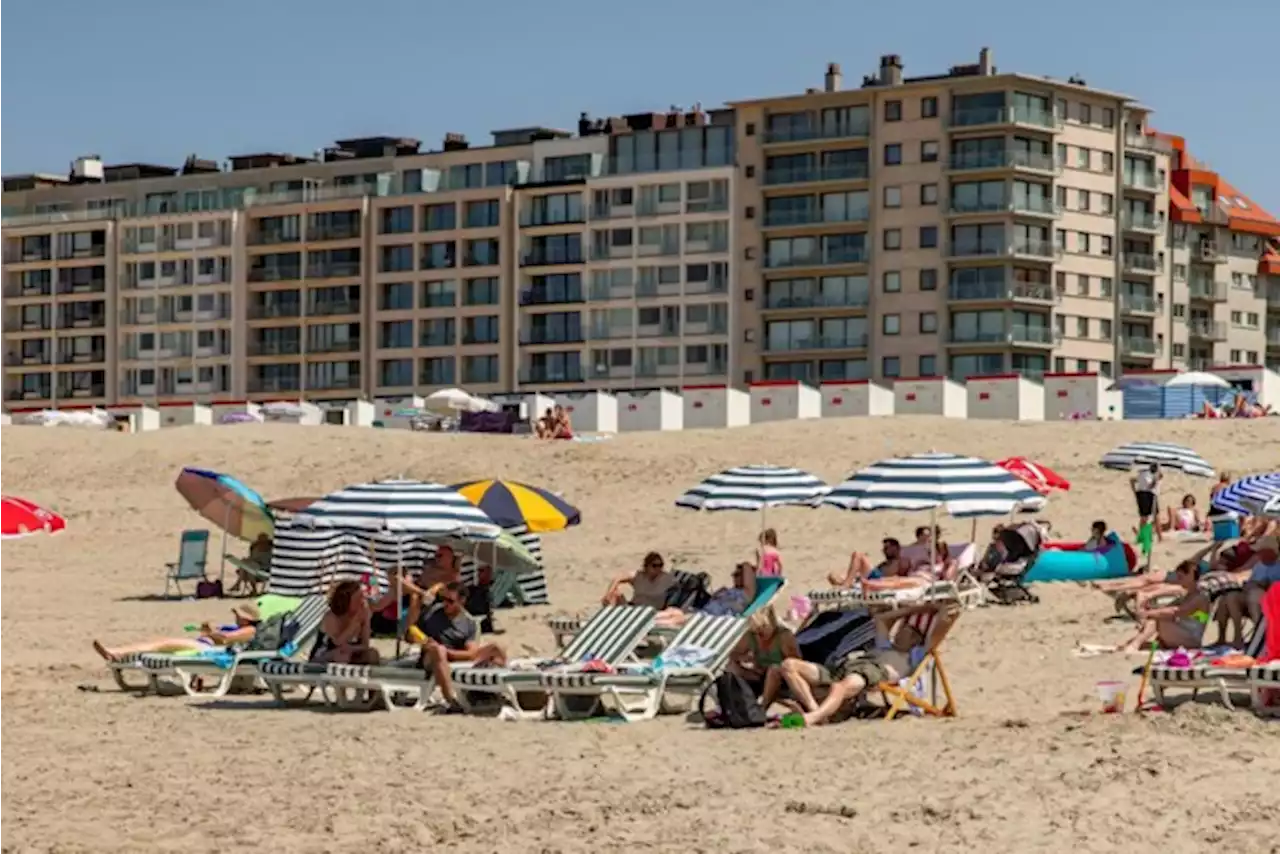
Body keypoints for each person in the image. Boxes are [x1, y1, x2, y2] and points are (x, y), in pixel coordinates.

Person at [777, 601, 955, 726]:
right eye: (901, 629)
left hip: (871, 671)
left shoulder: (916, 653)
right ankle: (816, 712)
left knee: (840, 688)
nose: (900, 633)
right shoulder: (886, 645)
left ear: (916, 639)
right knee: (788, 666)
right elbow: (881, 619)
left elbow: (944, 620)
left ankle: (813, 717)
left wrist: (935, 607)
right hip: (848, 664)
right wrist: (913, 609)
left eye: (907, 632)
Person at [417, 582, 507, 714]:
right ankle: (451, 700)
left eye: (450, 601)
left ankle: (493, 691)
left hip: (454, 656)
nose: (445, 604)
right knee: (438, 650)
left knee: (497, 648)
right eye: (444, 600)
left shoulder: (469, 623)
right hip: (431, 657)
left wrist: (449, 652)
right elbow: (410, 631)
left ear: (462, 601)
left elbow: (471, 653)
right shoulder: (433, 612)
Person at [93, 603, 262, 661]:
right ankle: (117, 652)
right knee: (158, 644)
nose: (235, 618)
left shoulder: (250, 630)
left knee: (161, 645)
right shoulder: (242, 628)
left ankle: (116, 652)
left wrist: (213, 632)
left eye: (238, 616)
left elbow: (226, 639)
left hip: (208, 651)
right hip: (206, 647)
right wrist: (208, 632)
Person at [1115, 560, 1211, 653]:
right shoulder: (1188, 593)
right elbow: (1170, 609)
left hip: (1191, 640)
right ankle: (1135, 643)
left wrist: (1147, 614)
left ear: (1190, 576)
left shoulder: (1200, 597)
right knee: (1155, 617)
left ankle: (1134, 645)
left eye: (1181, 577)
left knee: (1157, 618)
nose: (1178, 580)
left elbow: (1177, 611)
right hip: (1183, 633)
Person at [728, 606, 798, 708]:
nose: (760, 633)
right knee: (731, 667)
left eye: (763, 628)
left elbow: (795, 662)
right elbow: (734, 654)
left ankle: (762, 708)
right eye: (757, 630)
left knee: (773, 669)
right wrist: (743, 658)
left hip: (782, 677)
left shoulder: (783, 636)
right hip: (759, 674)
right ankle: (733, 706)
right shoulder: (752, 636)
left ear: (772, 623)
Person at [654, 562, 757, 629]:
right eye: (734, 574)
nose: (733, 577)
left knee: (679, 619)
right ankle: (649, 619)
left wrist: (747, 566)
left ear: (745, 577)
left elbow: (747, 568)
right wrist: (717, 595)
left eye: (737, 575)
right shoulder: (730, 590)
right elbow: (710, 601)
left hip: (714, 620)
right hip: (703, 613)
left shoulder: (746, 594)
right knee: (672, 611)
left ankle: (652, 625)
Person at [314, 580, 378, 664]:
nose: (362, 602)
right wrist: (355, 623)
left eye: (362, 597)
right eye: (358, 598)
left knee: (372, 654)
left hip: (349, 651)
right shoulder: (331, 616)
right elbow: (337, 642)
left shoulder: (364, 613)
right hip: (325, 653)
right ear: (346, 601)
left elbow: (365, 645)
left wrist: (351, 648)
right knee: (342, 656)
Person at [602, 551, 677, 607]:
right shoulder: (639, 576)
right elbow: (618, 578)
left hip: (652, 611)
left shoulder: (665, 579)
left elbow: (678, 586)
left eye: (660, 565)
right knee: (615, 594)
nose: (658, 569)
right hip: (634, 607)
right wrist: (609, 593)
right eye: (654, 566)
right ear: (646, 566)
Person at [828, 538, 904, 588]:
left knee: (858, 555)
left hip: (878, 579)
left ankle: (846, 585)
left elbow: (901, 578)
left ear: (896, 548)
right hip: (870, 577)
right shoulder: (885, 563)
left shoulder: (901, 561)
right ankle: (850, 583)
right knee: (833, 575)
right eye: (884, 548)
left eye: (886, 548)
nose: (884, 551)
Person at [1131, 462, 1161, 542]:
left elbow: (1132, 480)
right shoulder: (1146, 474)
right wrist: (1156, 479)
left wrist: (1134, 491)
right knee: (1147, 516)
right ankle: (1146, 536)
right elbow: (1150, 486)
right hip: (1146, 494)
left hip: (1149, 494)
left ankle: (1155, 536)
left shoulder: (1144, 473)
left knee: (1153, 516)